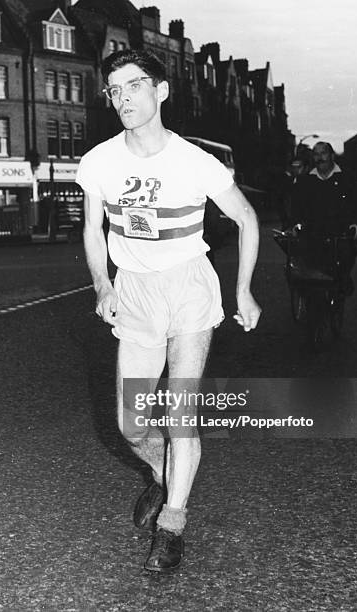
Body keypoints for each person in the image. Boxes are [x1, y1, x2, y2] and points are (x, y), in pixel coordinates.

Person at [76, 49, 261, 573]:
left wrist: (243, 291)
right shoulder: (100, 161)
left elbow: (247, 220)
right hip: (134, 292)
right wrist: (102, 285)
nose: (124, 99)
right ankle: (162, 475)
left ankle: (172, 523)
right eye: (115, 90)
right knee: (131, 425)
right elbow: (93, 230)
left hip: (187, 291)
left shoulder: (194, 161)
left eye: (135, 86)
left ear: (160, 91)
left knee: (181, 418)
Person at [289, 141, 357, 293]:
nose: (319, 158)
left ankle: (343, 280)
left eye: (323, 153)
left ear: (331, 156)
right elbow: (295, 206)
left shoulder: (347, 178)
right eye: (316, 154)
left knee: (346, 255)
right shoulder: (306, 181)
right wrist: (294, 224)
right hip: (313, 232)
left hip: (340, 231)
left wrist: (356, 223)